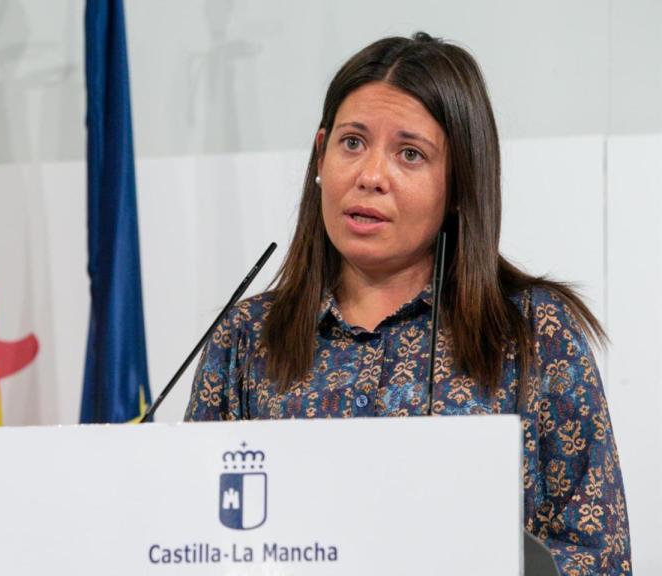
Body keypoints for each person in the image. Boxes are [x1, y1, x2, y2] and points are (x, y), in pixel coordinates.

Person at [184, 32, 631, 575]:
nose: (371, 177)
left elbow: (597, 554)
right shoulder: (248, 335)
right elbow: (194, 534)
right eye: (352, 143)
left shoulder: (533, 332)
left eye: (410, 154)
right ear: (320, 155)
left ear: (460, 185)